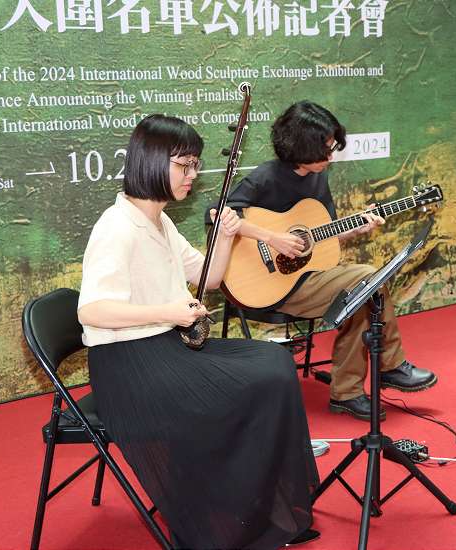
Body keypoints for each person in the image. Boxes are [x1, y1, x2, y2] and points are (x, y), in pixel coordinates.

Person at [78, 114, 320, 549]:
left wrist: (225, 237)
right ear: (152, 162)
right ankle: (234, 514)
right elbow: (92, 310)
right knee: (256, 383)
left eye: (195, 164)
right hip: (129, 366)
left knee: (275, 362)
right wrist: (169, 311)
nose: (193, 174)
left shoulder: (160, 220)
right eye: (184, 165)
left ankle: (258, 507)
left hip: (163, 347)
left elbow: (207, 277)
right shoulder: (116, 227)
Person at [221, 101, 437, 421]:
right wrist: (272, 237)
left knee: (363, 292)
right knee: (365, 279)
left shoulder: (317, 178)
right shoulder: (266, 177)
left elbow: (323, 235)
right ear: (303, 146)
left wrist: (357, 228)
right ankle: (387, 368)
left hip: (309, 278)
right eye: (327, 148)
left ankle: (349, 391)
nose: (332, 155)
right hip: (271, 286)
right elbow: (219, 215)